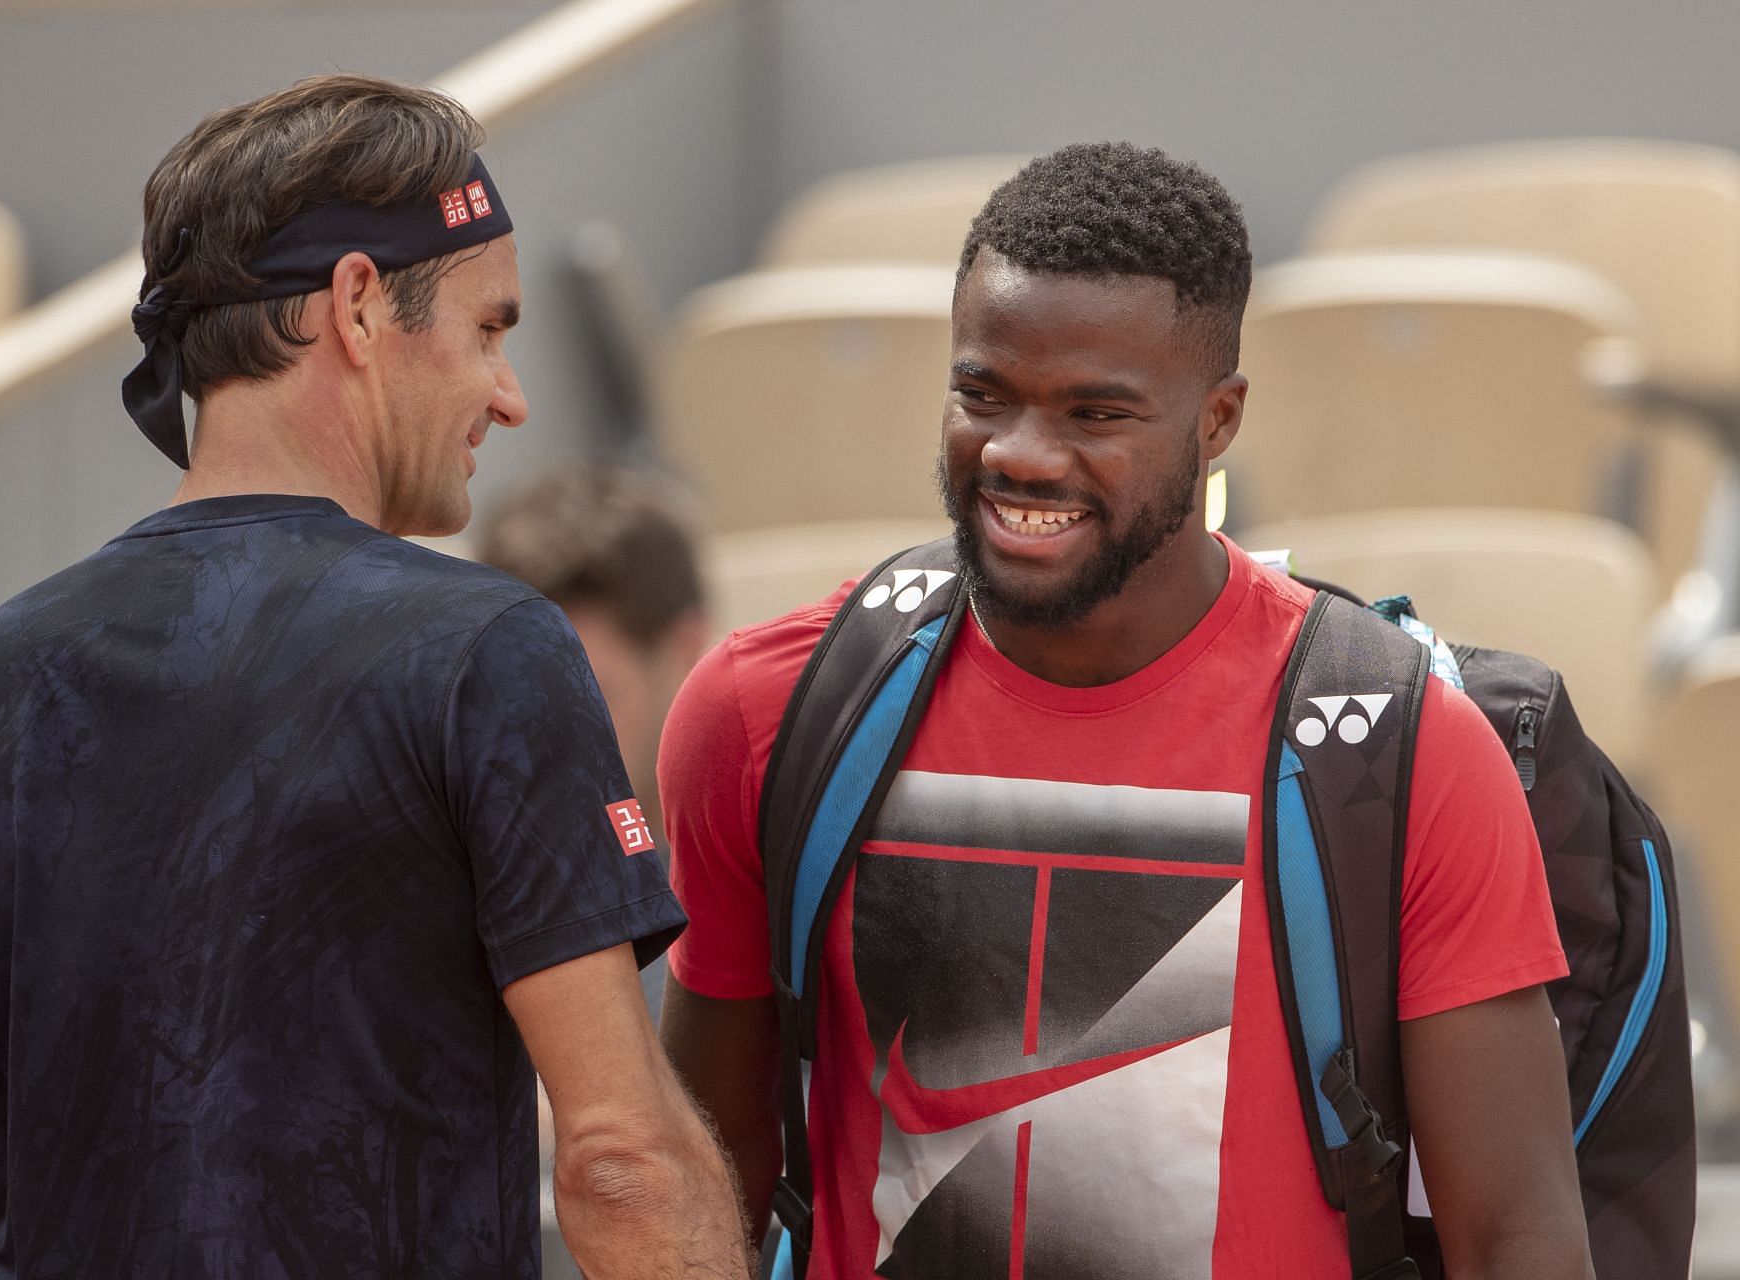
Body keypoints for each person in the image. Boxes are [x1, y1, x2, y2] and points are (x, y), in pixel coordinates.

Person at [0, 75, 748, 1280]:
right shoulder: (492, 654)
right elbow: (622, 1161)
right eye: (488, 329)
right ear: (359, 307)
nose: (510, 395)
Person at [657, 143, 1592, 1278]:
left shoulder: (1404, 753)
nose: (1020, 453)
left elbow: (1519, 1236)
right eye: (981, 392)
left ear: (1219, 422)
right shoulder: (773, 709)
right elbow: (703, 1176)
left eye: (1095, 412)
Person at [477, 464, 711, 1031]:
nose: (542, 745)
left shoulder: (777, 883)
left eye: (588, 697)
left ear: (686, 653)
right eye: (514, 700)